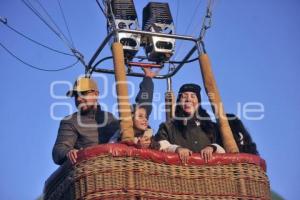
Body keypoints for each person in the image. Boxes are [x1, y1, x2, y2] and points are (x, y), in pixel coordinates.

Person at [52, 77, 119, 165]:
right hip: (88, 171)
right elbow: (58, 151)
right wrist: (69, 152)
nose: (78, 99)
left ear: (96, 94)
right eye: (76, 95)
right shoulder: (70, 121)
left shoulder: (110, 118)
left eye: (83, 93)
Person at [155, 83, 225, 164]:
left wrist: (212, 147)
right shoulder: (168, 127)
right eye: (184, 96)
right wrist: (177, 149)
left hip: (208, 173)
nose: (188, 99)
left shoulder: (211, 127)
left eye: (193, 96)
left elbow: (224, 148)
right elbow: (159, 144)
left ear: (198, 102)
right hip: (178, 172)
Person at [109, 68, 159, 149]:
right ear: (131, 118)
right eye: (140, 116)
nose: (145, 119)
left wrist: (148, 78)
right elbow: (111, 146)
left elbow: (161, 145)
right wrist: (136, 144)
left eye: (146, 117)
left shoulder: (150, 135)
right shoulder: (120, 134)